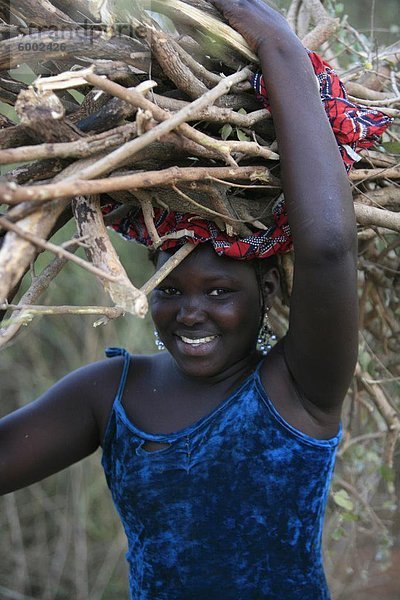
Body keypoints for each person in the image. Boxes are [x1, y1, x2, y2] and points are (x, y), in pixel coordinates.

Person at [2, 0, 389, 597]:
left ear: (264, 291)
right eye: (172, 288)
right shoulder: (110, 395)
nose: (190, 311)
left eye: (218, 290)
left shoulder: (300, 387)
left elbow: (329, 247)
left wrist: (278, 46)